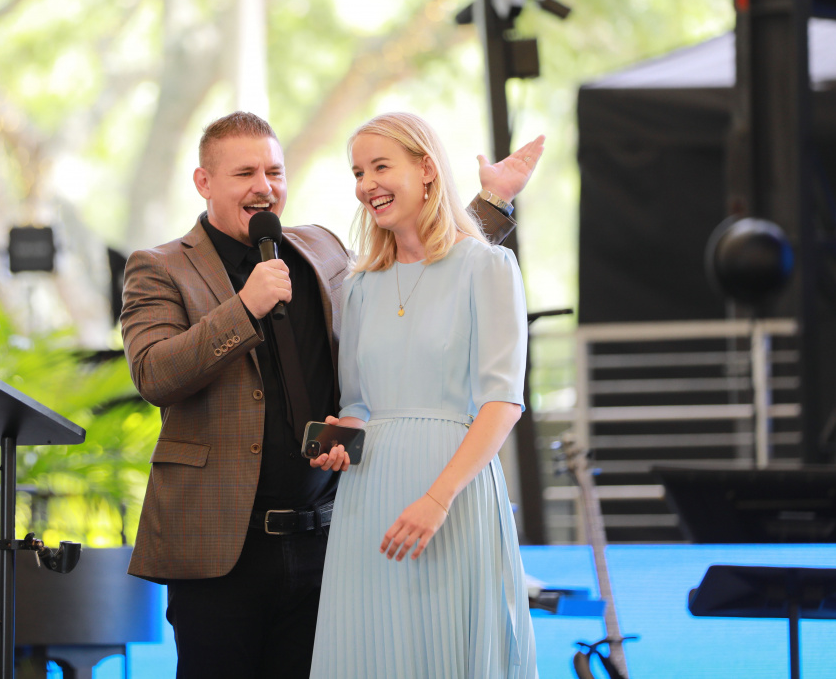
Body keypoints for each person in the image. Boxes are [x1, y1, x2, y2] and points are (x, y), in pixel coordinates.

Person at [120, 111, 541, 678]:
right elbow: (154, 374)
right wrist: (243, 308)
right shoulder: (161, 267)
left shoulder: (322, 250)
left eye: (274, 171)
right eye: (244, 173)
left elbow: (428, 274)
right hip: (224, 550)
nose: (263, 187)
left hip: (334, 535)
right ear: (204, 181)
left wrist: (491, 202)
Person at [307, 112, 537, 679]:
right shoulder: (360, 285)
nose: (367, 184)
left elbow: (503, 402)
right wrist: (345, 434)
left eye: (380, 167)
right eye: (358, 172)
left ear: (427, 169)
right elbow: (358, 402)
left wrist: (437, 499)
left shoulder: (486, 265)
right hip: (368, 500)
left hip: (451, 494)